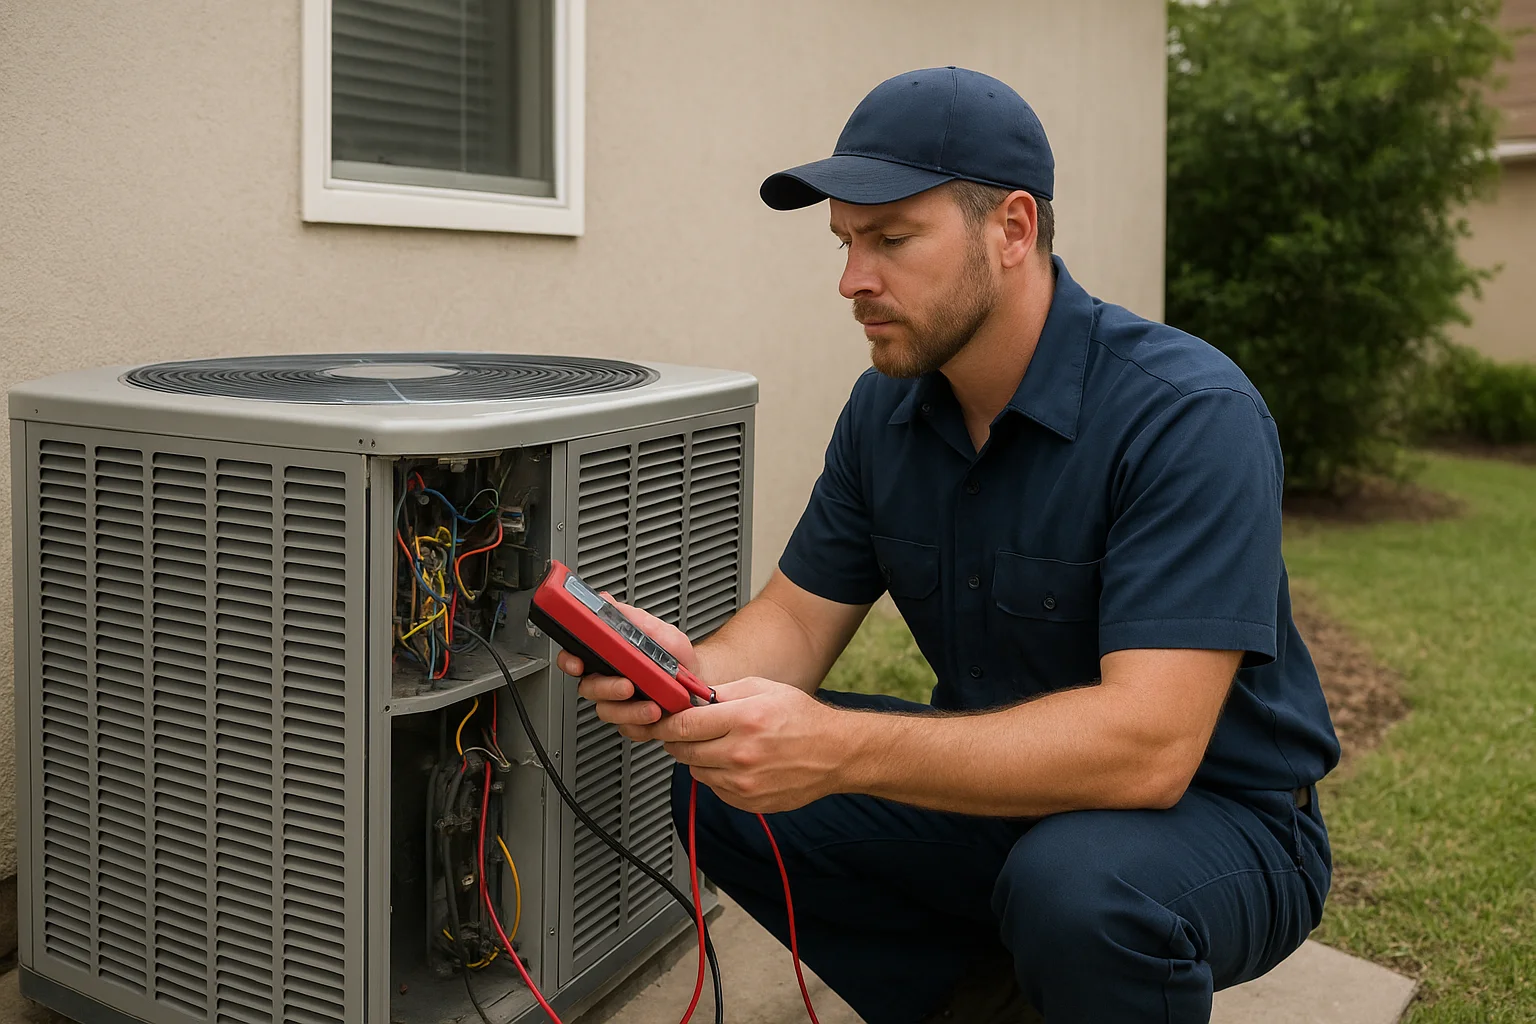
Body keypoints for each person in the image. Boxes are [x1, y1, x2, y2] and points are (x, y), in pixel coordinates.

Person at [557, 67, 1339, 1024]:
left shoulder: (1187, 415)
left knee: (1083, 891)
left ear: (1012, 229)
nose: (852, 280)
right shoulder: (886, 407)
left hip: (1222, 820)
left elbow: (1149, 750)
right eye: (845, 241)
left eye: (890, 238)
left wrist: (839, 749)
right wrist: (692, 677)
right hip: (1003, 796)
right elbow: (798, 620)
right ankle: (978, 1005)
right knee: (727, 784)